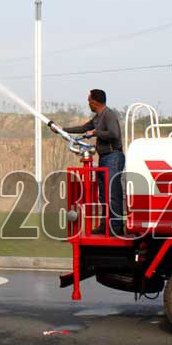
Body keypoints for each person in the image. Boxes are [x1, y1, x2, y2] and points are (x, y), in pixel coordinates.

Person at [49, 89, 125, 235]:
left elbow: (114, 134)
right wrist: (61, 130)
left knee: (112, 193)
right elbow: (84, 128)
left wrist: (95, 133)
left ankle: (116, 227)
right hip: (104, 158)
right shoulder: (98, 117)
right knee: (103, 194)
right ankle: (105, 224)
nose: (88, 103)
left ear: (95, 102)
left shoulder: (108, 115)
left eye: (89, 100)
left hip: (113, 157)